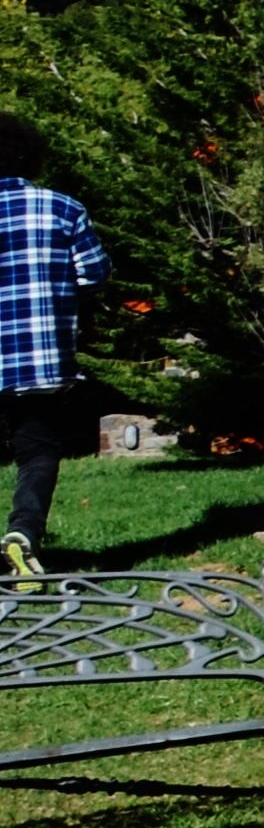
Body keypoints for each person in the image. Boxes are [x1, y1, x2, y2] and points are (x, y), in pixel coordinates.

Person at [0, 161, 107, 566]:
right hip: (35, 358)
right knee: (38, 452)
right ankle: (22, 533)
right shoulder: (63, 208)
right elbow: (95, 273)